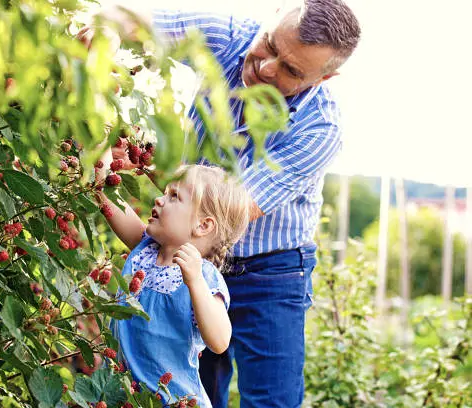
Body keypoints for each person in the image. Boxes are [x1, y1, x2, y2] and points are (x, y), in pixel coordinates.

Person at [86, 1, 361, 406]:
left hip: (273, 268)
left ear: (326, 76)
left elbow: (228, 209)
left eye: (291, 71)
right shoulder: (227, 34)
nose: (267, 68)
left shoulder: (321, 128)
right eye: (270, 45)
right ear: (272, 18)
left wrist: (154, 169)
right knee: (191, 382)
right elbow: (125, 20)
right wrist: (95, 82)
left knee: (271, 398)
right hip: (189, 244)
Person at [95, 157, 251, 406]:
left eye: (174, 196)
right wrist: (104, 155)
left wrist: (195, 282)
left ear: (203, 225)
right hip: (121, 395)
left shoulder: (204, 276)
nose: (159, 199)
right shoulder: (144, 249)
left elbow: (220, 341)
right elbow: (107, 199)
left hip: (170, 400)